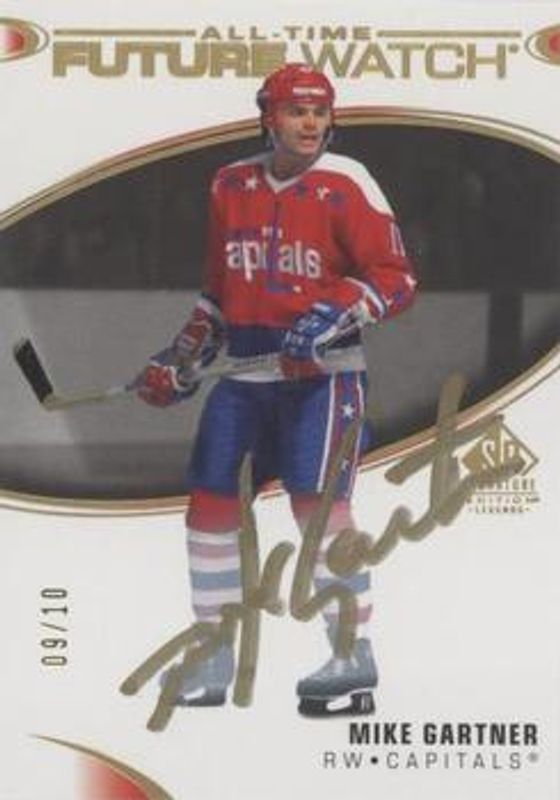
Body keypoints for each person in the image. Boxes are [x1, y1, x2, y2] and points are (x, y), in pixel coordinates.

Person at [136, 63, 417, 716]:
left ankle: (352, 652)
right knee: (209, 507)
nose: (310, 122)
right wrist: (183, 355)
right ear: (268, 117)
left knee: (318, 511)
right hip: (244, 379)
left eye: (320, 111)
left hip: (323, 381)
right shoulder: (229, 183)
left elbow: (396, 277)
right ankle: (215, 654)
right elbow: (220, 289)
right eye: (296, 111)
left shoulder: (347, 182)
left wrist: (335, 311)